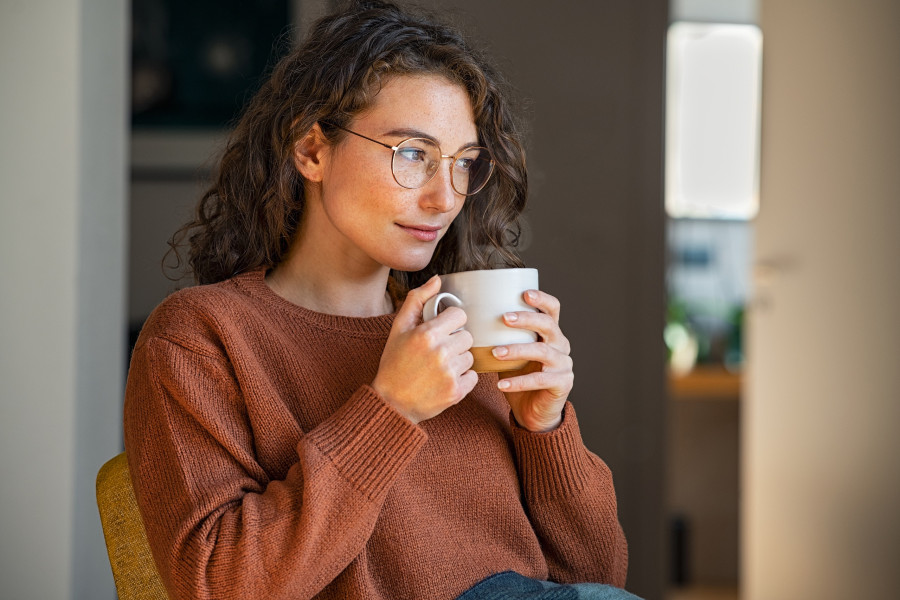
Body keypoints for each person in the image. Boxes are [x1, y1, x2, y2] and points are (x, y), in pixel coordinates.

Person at [123, 1, 636, 599]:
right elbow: (217, 585)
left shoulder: (465, 329)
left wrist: (546, 430)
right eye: (413, 154)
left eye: (464, 164)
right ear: (312, 151)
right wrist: (391, 409)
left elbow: (601, 578)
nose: (446, 198)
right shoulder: (201, 337)